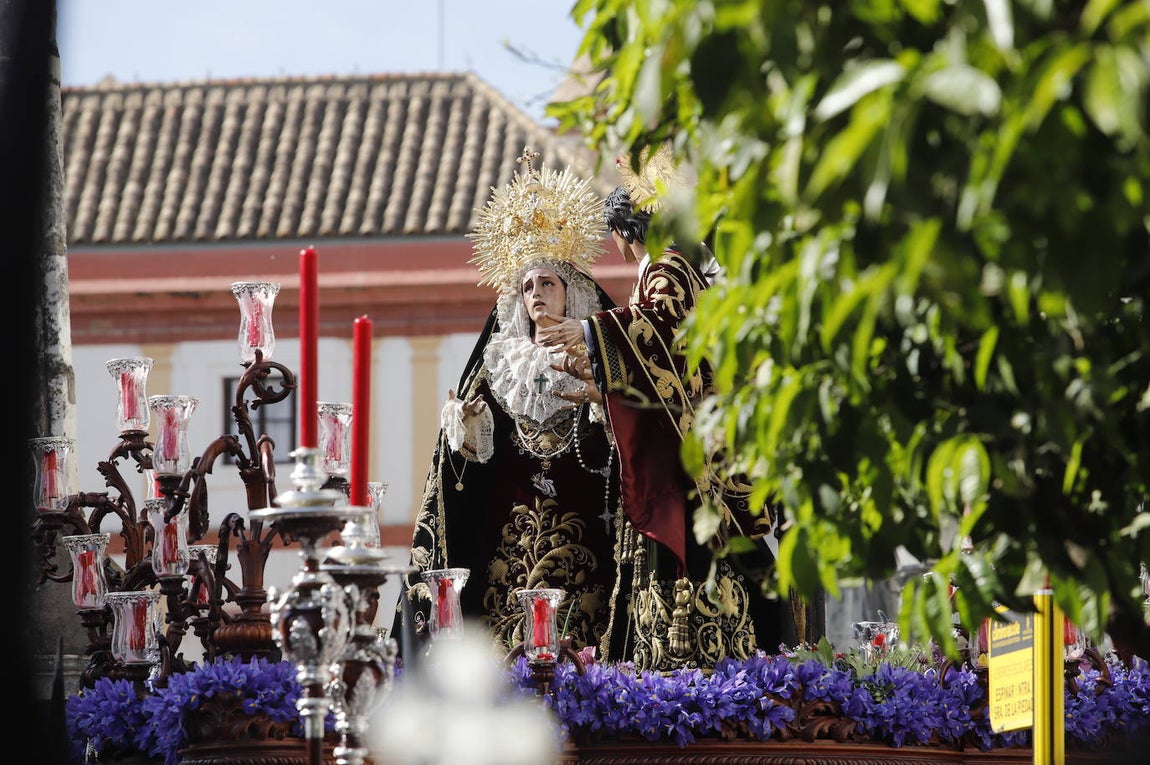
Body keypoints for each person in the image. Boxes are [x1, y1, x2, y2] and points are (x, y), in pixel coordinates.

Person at [536, 151, 783, 673]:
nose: (617, 248)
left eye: (615, 236)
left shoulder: (668, 268)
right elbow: (660, 367)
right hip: (683, 431)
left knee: (690, 552)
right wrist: (597, 386)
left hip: (685, 450)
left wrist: (589, 330)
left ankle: (686, 663)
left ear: (627, 228)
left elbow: (658, 329)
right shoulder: (675, 267)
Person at [394, 147, 624, 659]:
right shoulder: (499, 364)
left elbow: (627, 431)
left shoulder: (600, 357)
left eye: (547, 283)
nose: (536, 293)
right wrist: (466, 429)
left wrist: (604, 405)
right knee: (510, 651)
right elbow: (463, 466)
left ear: (570, 292)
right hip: (508, 541)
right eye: (527, 287)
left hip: (588, 529)